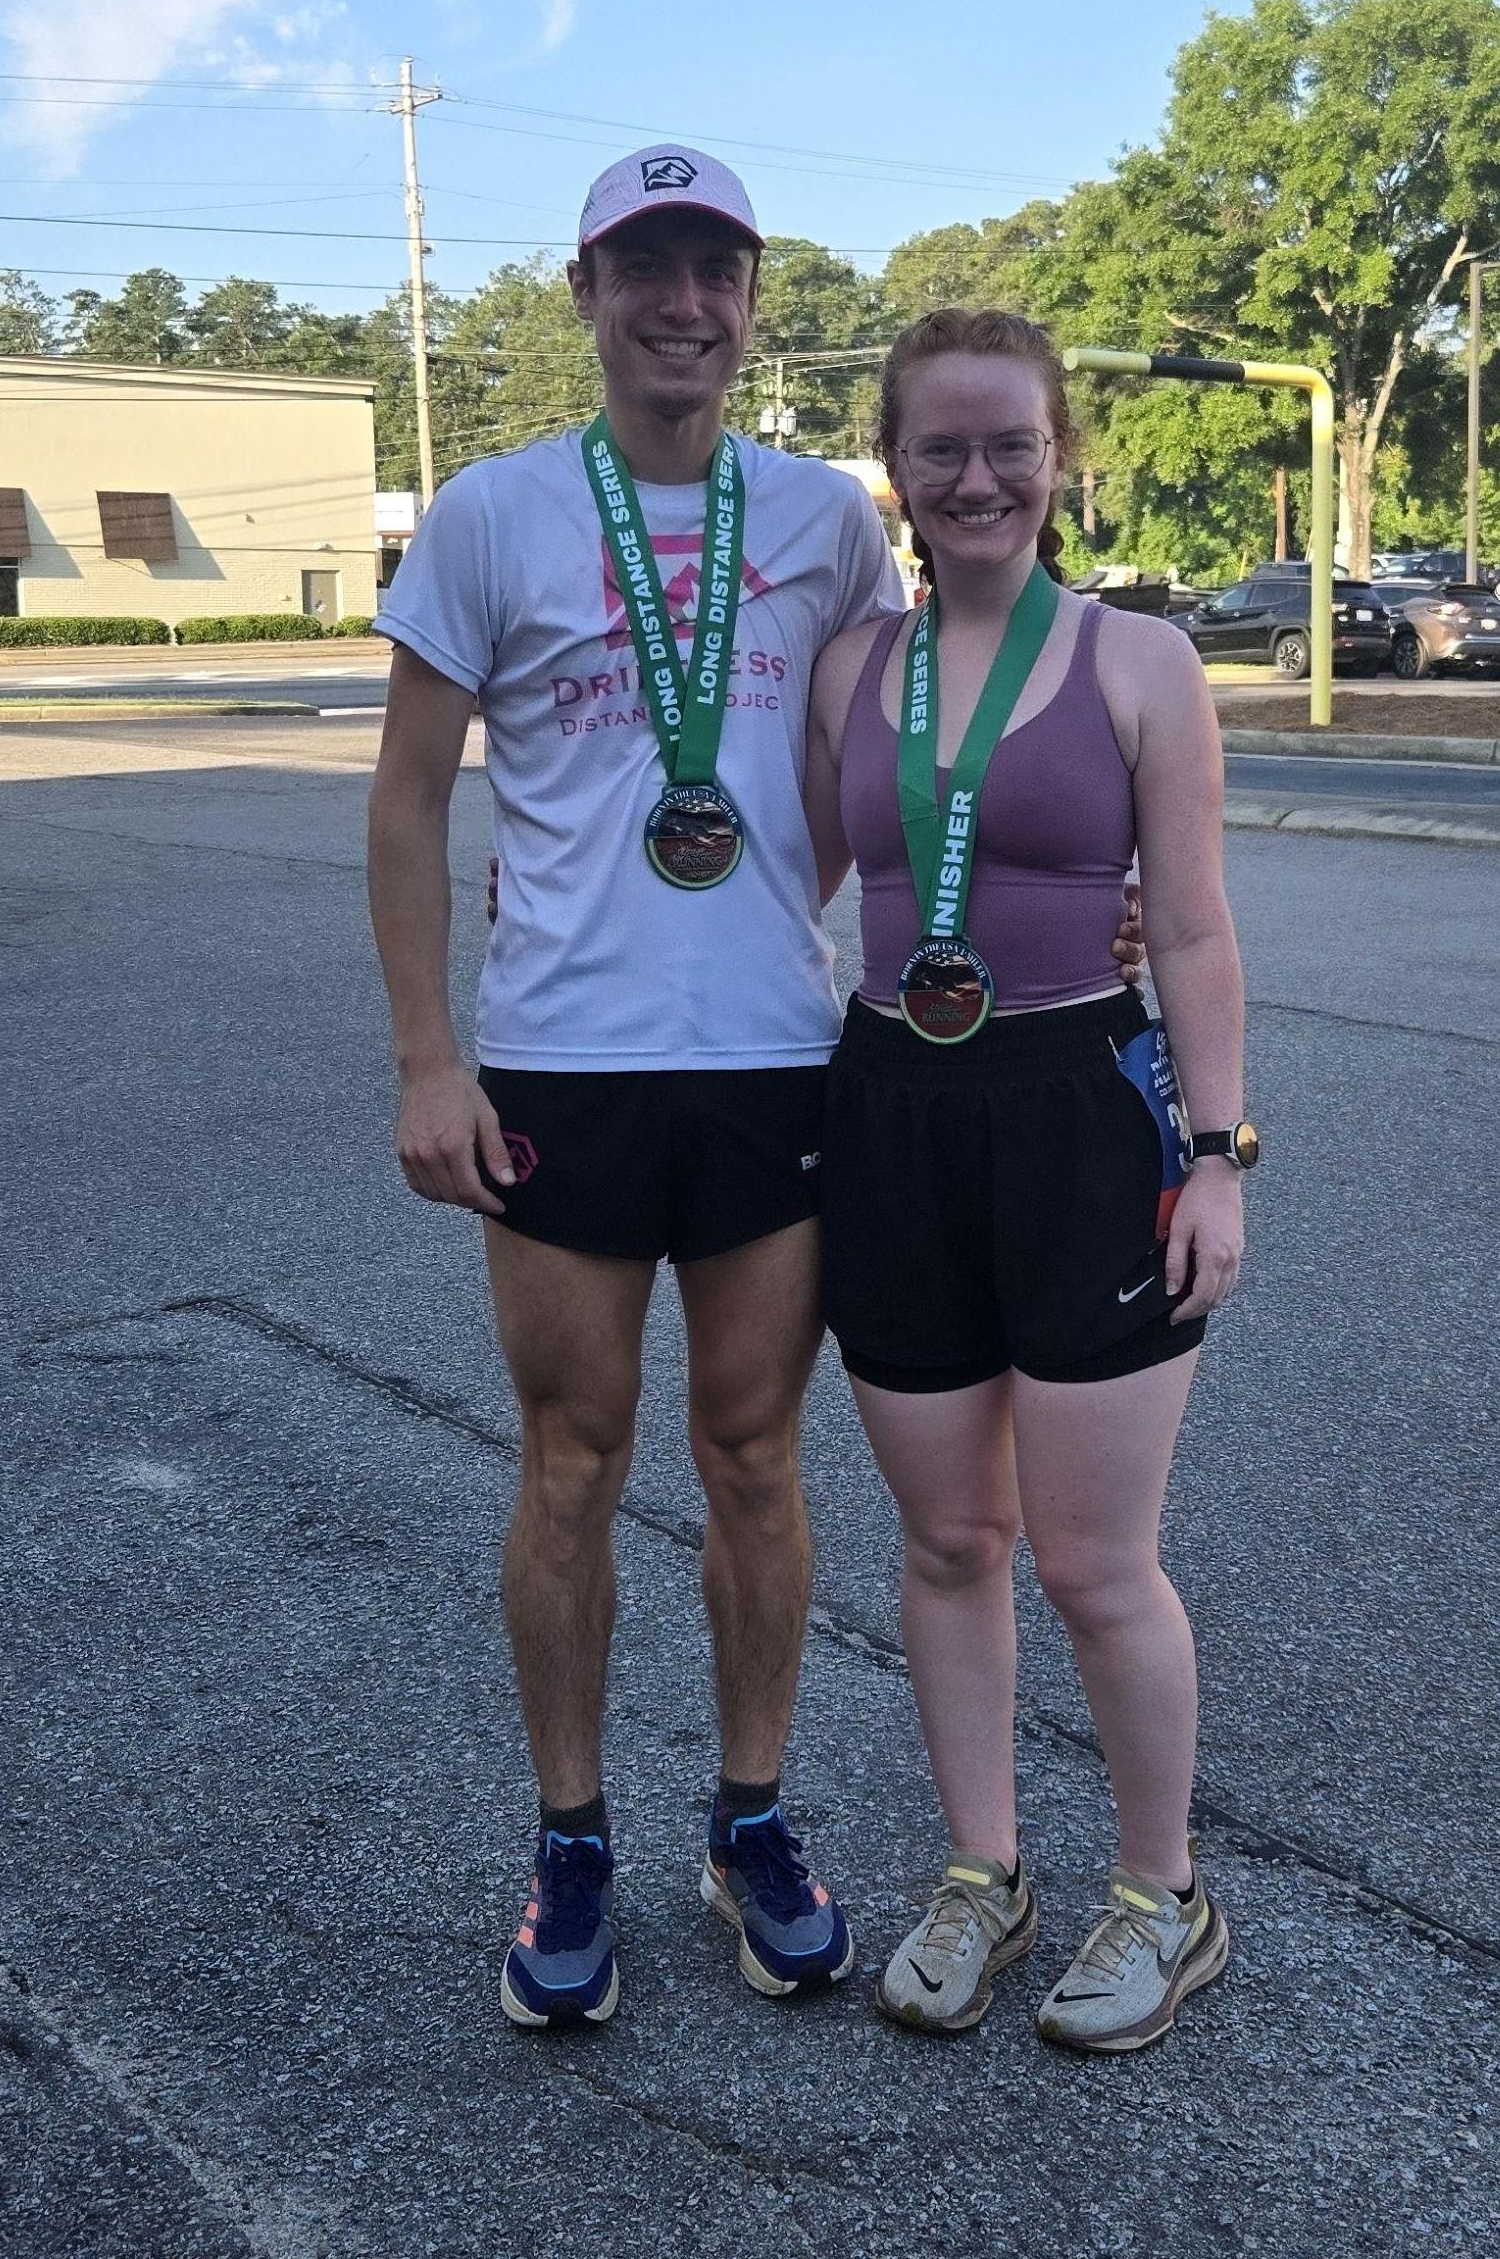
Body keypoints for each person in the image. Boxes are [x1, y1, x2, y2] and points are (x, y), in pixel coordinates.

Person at [366, 146, 897, 2026]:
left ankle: (750, 1819)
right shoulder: (491, 514)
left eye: (714, 270)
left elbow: (880, 766)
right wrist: (429, 1061)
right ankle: (570, 1840)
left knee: (753, 1456)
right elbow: (407, 800)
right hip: (559, 1070)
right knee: (572, 1462)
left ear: (751, 301)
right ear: (584, 291)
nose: (683, 303)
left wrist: (1102, 898)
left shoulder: (826, 519)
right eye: (644, 267)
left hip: (772, 1060)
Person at [803, 308, 1256, 2054]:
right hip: (891, 1116)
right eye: (941, 448)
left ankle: (1161, 1896)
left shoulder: (1140, 661)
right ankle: (980, 1873)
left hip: (1080, 1112)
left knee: (1089, 1559)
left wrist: (1215, 1157)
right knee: (946, 1539)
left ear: (1060, 458)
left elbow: (1193, 928)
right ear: (895, 470)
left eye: (1009, 444)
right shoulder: (853, 668)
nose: (976, 477)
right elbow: (768, 871)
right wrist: (550, 887)